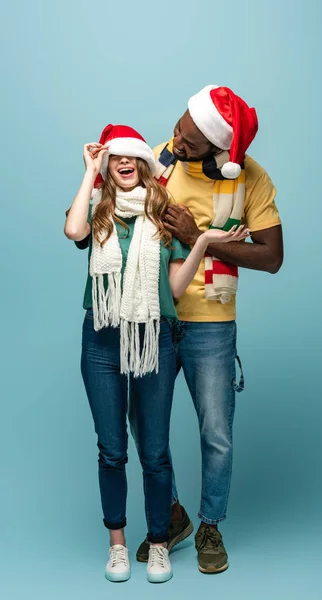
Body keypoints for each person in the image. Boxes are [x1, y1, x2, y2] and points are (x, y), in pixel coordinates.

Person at [64, 123, 249, 584]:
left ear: (145, 165)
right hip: (103, 339)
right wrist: (90, 171)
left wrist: (203, 242)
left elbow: (172, 287)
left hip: (154, 339)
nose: (125, 163)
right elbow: (72, 229)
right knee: (111, 450)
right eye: (115, 158)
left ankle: (161, 541)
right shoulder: (97, 212)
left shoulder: (164, 213)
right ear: (110, 166)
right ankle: (118, 545)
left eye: (132, 157)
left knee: (155, 450)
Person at [134, 85, 284, 574]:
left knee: (216, 432)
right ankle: (172, 514)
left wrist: (200, 239)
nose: (177, 140)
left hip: (212, 326)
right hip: (156, 316)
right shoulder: (160, 159)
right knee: (147, 428)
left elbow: (272, 256)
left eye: (192, 141)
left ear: (222, 153)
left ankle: (210, 523)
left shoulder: (250, 179)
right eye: (180, 125)